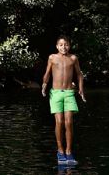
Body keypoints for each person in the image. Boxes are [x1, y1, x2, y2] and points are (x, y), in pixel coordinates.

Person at [42, 36, 86, 166]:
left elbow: (79, 74)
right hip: (56, 93)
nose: (63, 47)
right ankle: (60, 150)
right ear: (57, 46)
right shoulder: (52, 58)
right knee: (59, 122)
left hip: (69, 94)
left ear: (69, 46)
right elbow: (47, 73)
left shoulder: (73, 58)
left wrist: (81, 90)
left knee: (69, 122)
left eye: (66, 45)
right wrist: (44, 85)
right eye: (61, 45)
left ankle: (68, 151)